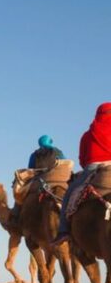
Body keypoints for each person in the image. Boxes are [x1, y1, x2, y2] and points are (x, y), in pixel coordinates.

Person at [53, 102, 111, 244]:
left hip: (93, 168)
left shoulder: (88, 135)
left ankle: (63, 231)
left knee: (69, 194)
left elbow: (82, 159)